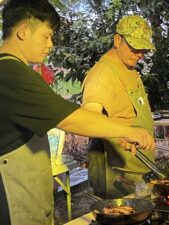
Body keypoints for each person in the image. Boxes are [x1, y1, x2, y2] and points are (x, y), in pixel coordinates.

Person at [0, 1, 154, 225]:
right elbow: (72, 119)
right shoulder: (12, 74)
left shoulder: (12, 71)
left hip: (25, 191)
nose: (51, 44)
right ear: (23, 31)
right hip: (11, 199)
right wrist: (127, 131)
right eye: (46, 36)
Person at [82, 15, 155, 198]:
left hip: (137, 169)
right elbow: (88, 120)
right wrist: (121, 133)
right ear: (117, 40)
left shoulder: (128, 68)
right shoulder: (102, 75)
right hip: (116, 175)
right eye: (134, 47)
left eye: (143, 49)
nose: (139, 54)